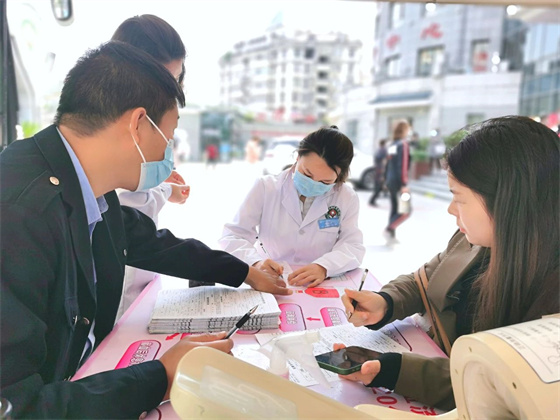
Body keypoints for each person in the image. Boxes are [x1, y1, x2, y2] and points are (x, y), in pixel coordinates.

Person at [0, 41, 289, 418]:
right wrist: (161, 376)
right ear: (138, 125)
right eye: (169, 136)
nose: (169, 152)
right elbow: (17, 407)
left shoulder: (84, 185)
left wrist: (245, 272)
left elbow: (153, 244)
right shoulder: (19, 213)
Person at [339, 116, 559, 410]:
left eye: (459, 198)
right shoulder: (473, 240)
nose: (450, 209)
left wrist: (394, 370)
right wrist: (385, 302)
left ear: (507, 201)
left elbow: (498, 386)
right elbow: (423, 280)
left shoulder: (551, 294)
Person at [110, 14, 192, 319]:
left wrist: (162, 187)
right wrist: (164, 190)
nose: (168, 94)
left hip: (141, 280)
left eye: (175, 80)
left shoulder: (151, 125)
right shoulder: (110, 137)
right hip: (117, 288)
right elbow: (126, 208)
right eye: (158, 82)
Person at [219, 126, 365, 288]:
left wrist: (324, 267)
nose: (313, 184)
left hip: (319, 283)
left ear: (340, 177)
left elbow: (353, 245)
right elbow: (233, 236)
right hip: (269, 276)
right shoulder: (266, 187)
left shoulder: (346, 197)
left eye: (325, 182)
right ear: (297, 157)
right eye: (307, 174)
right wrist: (256, 263)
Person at [383, 119, 411, 244]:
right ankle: (389, 229)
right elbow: (402, 165)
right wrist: (404, 184)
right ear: (405, 130)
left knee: (395, 208)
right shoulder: (403, 145)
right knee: (405, 211)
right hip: (399, 182)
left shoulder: (392, 144)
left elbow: (388, 164)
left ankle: (391, 236)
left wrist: (385, 179)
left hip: (390, 181)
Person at [368, 138, 388, 206]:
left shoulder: (378, 150)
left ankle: (373, 200)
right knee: (378, 185)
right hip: (380, 169)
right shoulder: (383, 150)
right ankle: (372, 200)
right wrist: (383, 171)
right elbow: (384, 160)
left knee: (378, 185)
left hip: (377, 168)